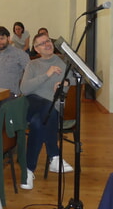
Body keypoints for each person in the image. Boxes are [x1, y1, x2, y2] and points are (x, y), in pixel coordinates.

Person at [19, 33, 75, 190]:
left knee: (39, 122)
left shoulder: (63, 62)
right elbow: (24, 89)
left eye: (48, 41)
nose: (47, 44)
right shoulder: (33, 65)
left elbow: (78, 79)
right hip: (32, 103)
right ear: (36, 49)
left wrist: (67, 82)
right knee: (46, 108)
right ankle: (55, 156)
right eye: (42, 43)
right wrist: (47, 74)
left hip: (51, 109)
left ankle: (28, 170)